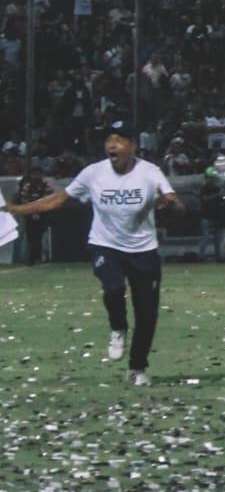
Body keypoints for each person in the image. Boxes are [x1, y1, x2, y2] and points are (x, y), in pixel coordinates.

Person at [1, 122, 184, 384]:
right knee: (112, 288)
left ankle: (137, 369)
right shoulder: (93, 173)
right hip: (105, 244)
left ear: (132, 145)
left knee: (146, 313)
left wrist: (171, 204)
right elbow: (58, 200)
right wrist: (19, 210)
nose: (112, 144)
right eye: (108, 139)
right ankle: (118, 327)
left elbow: (173, 199)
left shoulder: (149, 172)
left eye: (119, 139)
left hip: (143, 249)